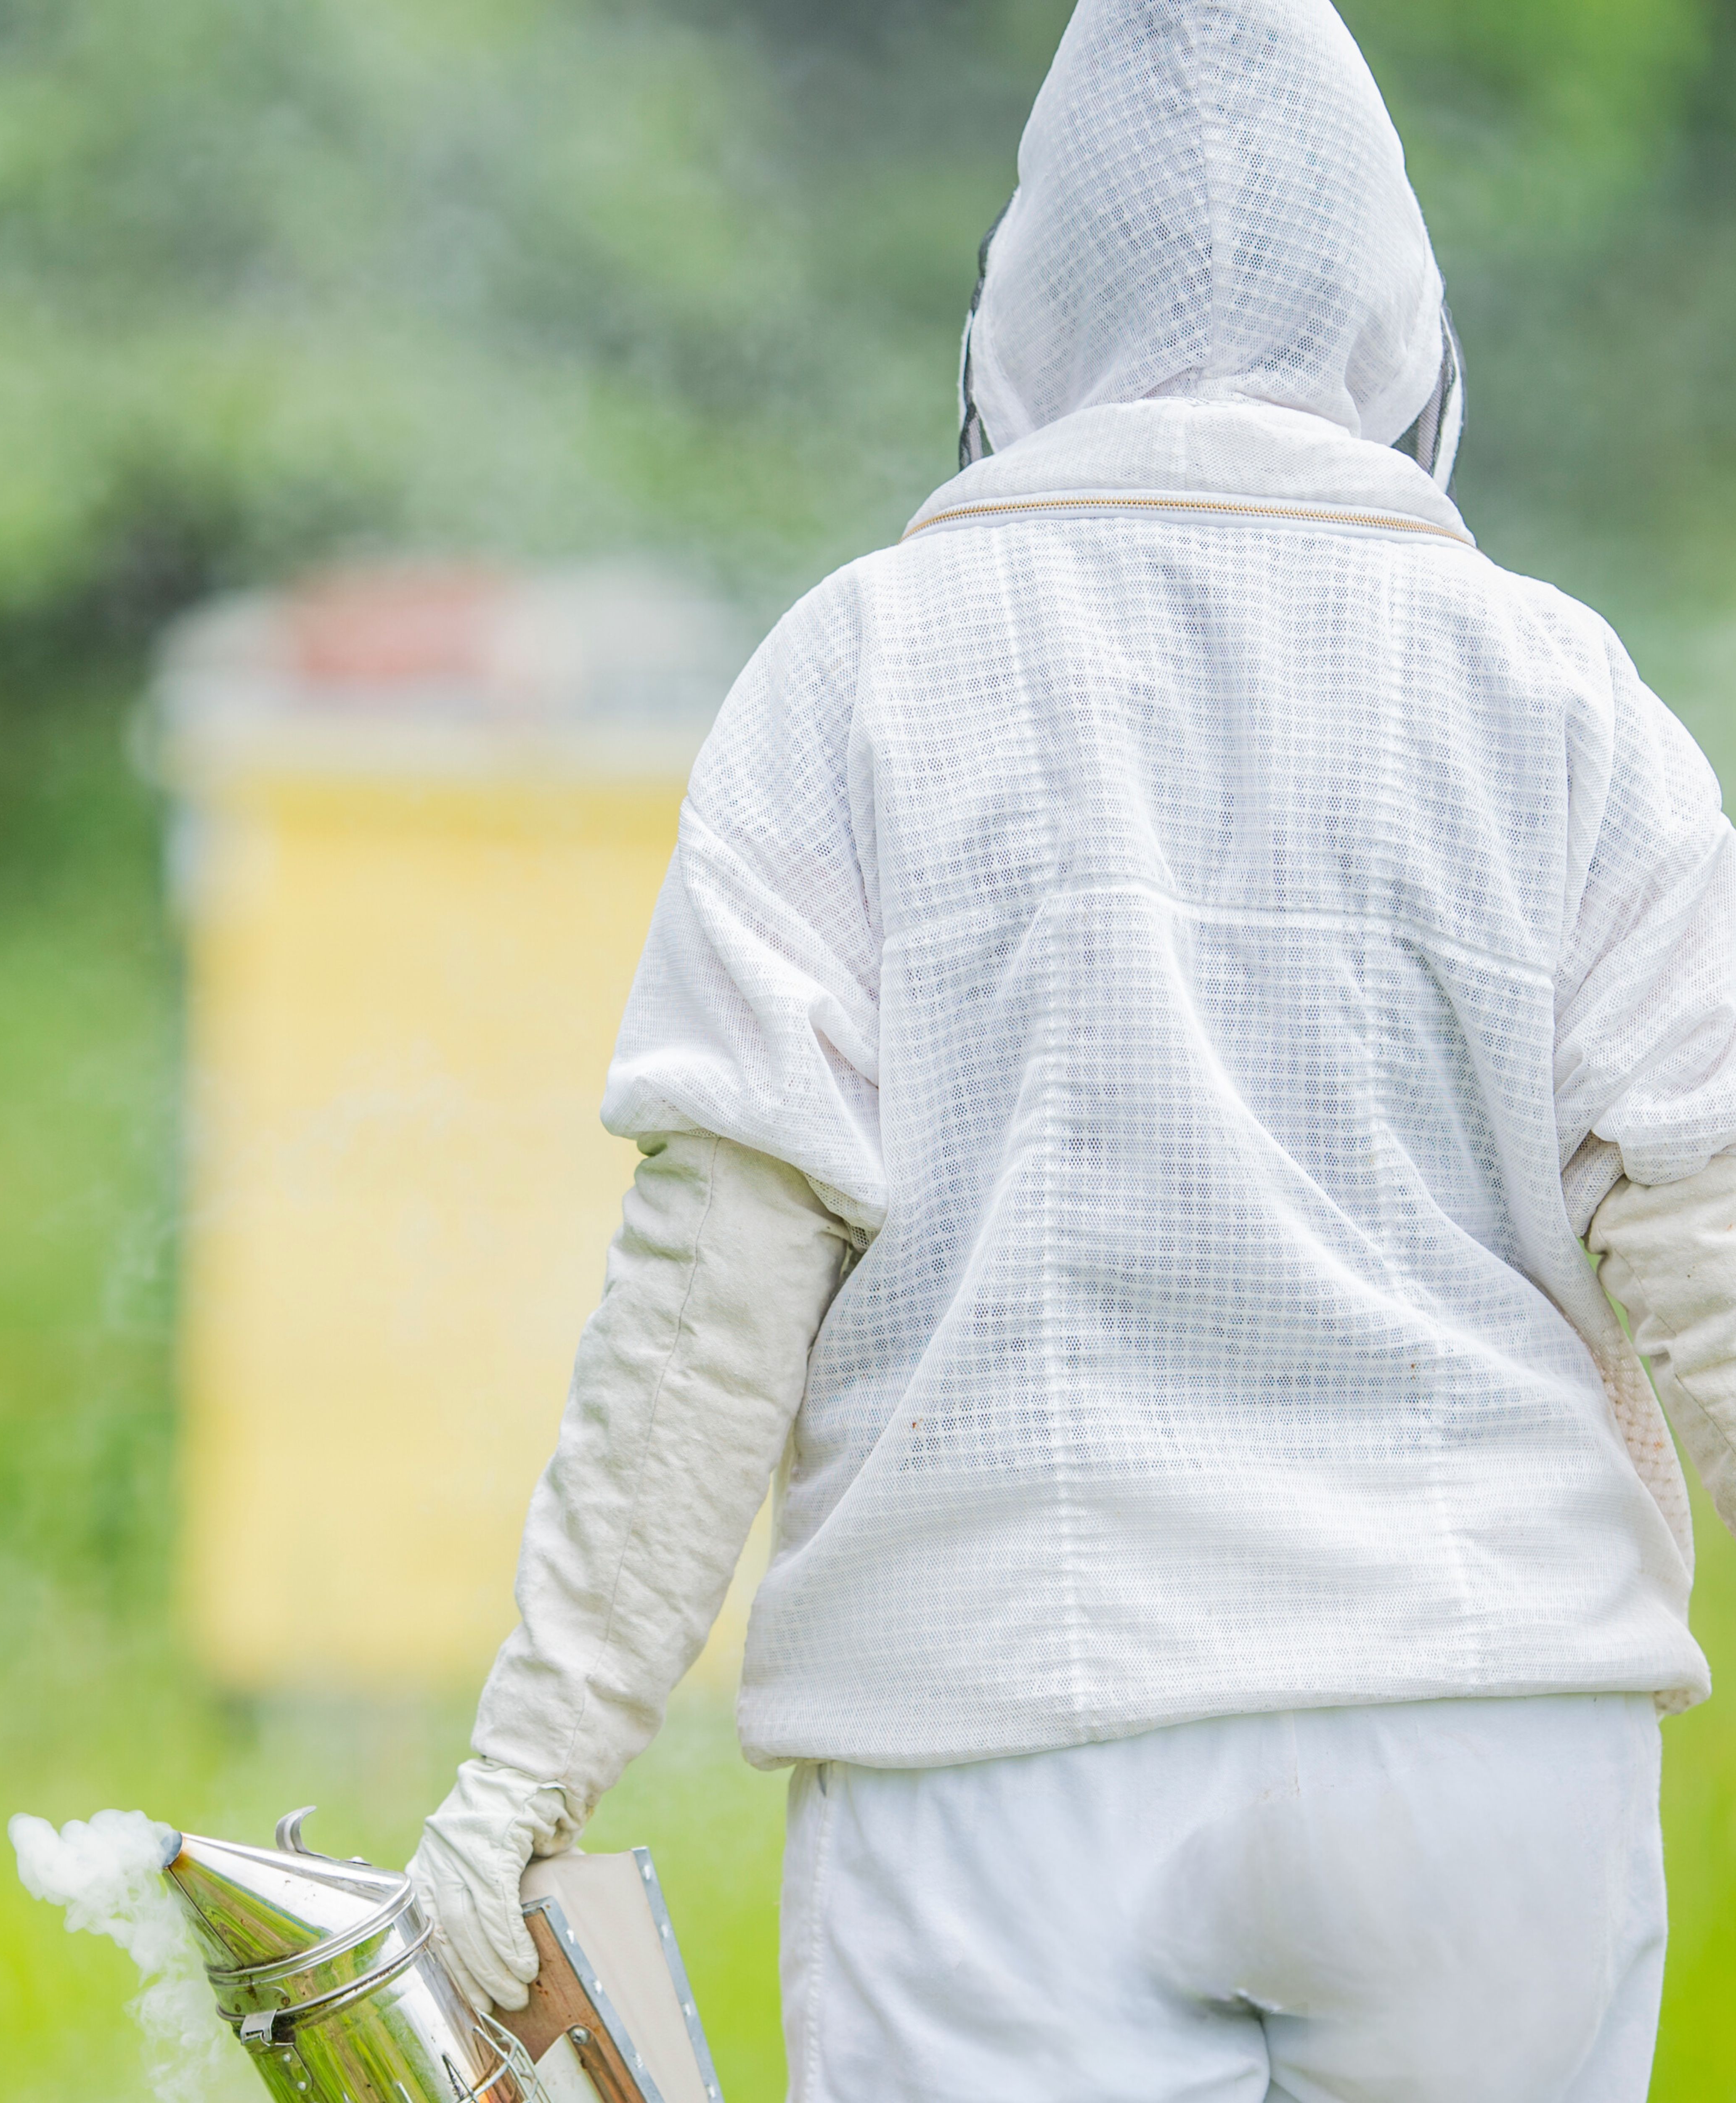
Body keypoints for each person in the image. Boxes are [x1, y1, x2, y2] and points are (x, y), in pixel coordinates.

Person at [409, 1, 1736, 2095]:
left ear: (1010, 325)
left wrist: (526, 1772)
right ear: (1402, 326)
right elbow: (1712, 1242)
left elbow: (715, 1285)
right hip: (1483, 1743)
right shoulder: (1562, 699)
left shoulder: (850, 672)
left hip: (1001, 1758)